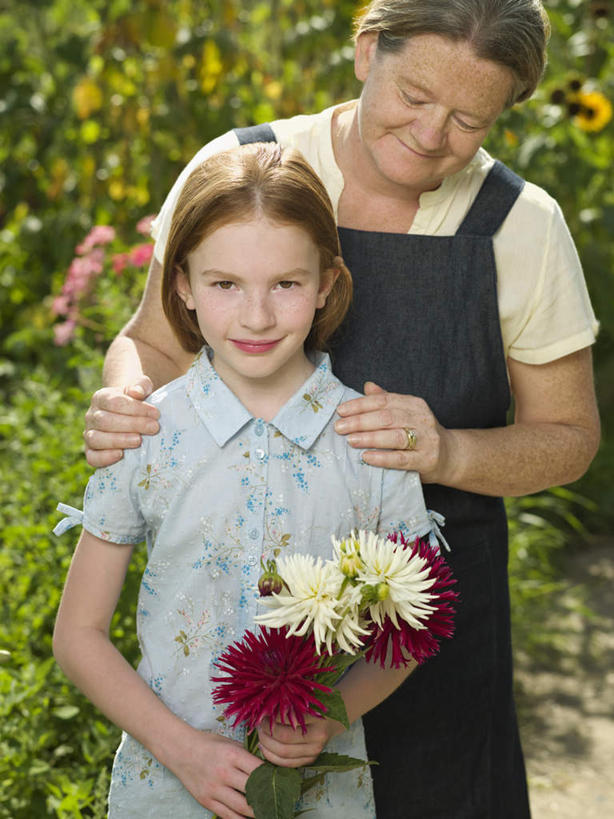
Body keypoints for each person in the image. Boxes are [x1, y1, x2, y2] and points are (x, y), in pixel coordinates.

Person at [82, 1, 601, 816]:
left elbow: (570, 437)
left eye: (469, 120)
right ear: (366, 52)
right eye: (414, 95)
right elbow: (152, 341)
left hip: (425, 629)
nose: (431, 134)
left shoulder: (521, 226)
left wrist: (449, 451)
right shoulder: (245, 169)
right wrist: (127, 401)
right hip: (234, 645)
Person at [53, 142, 449, 819]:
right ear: (182, 283)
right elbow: (78, 635)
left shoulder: (372, 442)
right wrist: (183, 750)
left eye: (286, 284)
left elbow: (412, 628)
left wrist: (333, 712)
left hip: (323, 796)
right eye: (225, 284)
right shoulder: (144, 435)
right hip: (166, 789)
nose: (257, 316)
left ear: (326, 283)